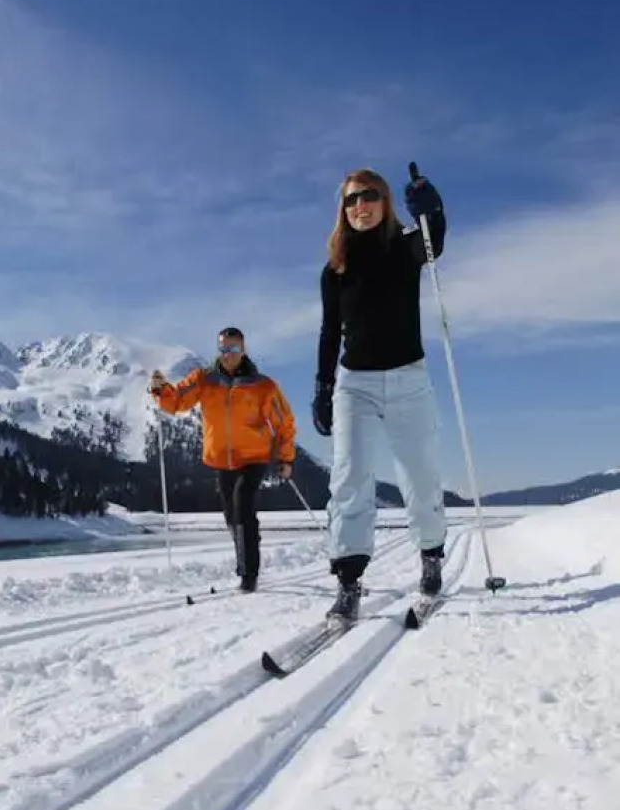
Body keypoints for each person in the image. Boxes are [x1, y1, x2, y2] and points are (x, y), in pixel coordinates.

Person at [312, 167, 448, 623]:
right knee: (349, 479)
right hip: (357, 385)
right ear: (343, 209)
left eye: (368, 196)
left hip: (409, 378)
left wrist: (432, 209)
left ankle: (431, 556)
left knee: (420, 476)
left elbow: (434, 242)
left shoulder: (405, 246)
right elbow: (331, 331)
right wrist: (322, 386)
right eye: (351, 199)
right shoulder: (335, 269)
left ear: (385, 201)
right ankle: (349, 582)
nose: (359, 206)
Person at [150, 327, 296, 592]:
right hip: (221, 460)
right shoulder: (205, 379)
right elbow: (178, 401)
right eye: (223, 349)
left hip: (254, 457)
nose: (228, 355)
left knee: (243, 508)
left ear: (243, 350)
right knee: (232, 517)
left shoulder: (263, 386)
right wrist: (161, 390)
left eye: (234, 349)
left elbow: (284, 422)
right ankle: (248, 546)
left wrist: (286, 458)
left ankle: (248, 574)